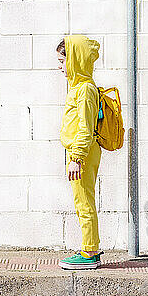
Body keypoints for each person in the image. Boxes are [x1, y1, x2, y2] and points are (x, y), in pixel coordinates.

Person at [56, 34, 104, 269]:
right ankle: (89, 247)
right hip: (79, 153)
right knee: (82, 200)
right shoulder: (80, 87)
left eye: (63, 61)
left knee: (84, 201)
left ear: (75, 59)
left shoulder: (84, 90)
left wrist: (76, 158)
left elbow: (86, 128)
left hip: (81, 154)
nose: (60, 66)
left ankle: (89, 253)